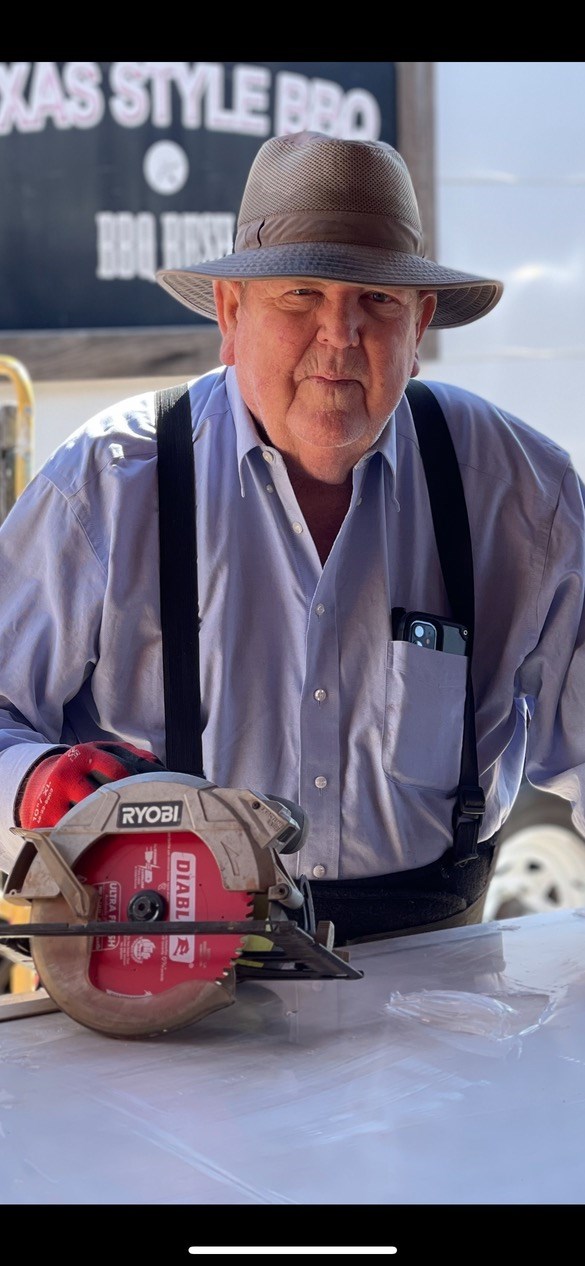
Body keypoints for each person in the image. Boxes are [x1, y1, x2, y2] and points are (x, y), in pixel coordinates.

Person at [0, 128, 584, 946]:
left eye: (376, 300)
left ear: (418, 326)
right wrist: (30, 781)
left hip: (435, 985)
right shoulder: (106, 484)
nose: (339, 336)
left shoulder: (521, 492)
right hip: (158, 976)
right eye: (301, 294)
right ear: (231, 313)